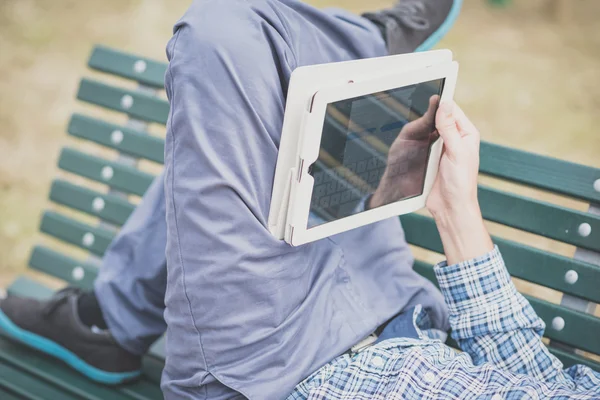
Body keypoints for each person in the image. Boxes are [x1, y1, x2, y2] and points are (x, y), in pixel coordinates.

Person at [2, 0, 599, 399]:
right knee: (278, 119)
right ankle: (360, 44)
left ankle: (360, 41)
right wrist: (456, 211)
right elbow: (537, 373)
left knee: (223, 34)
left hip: (273, 376)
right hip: (405, 314)